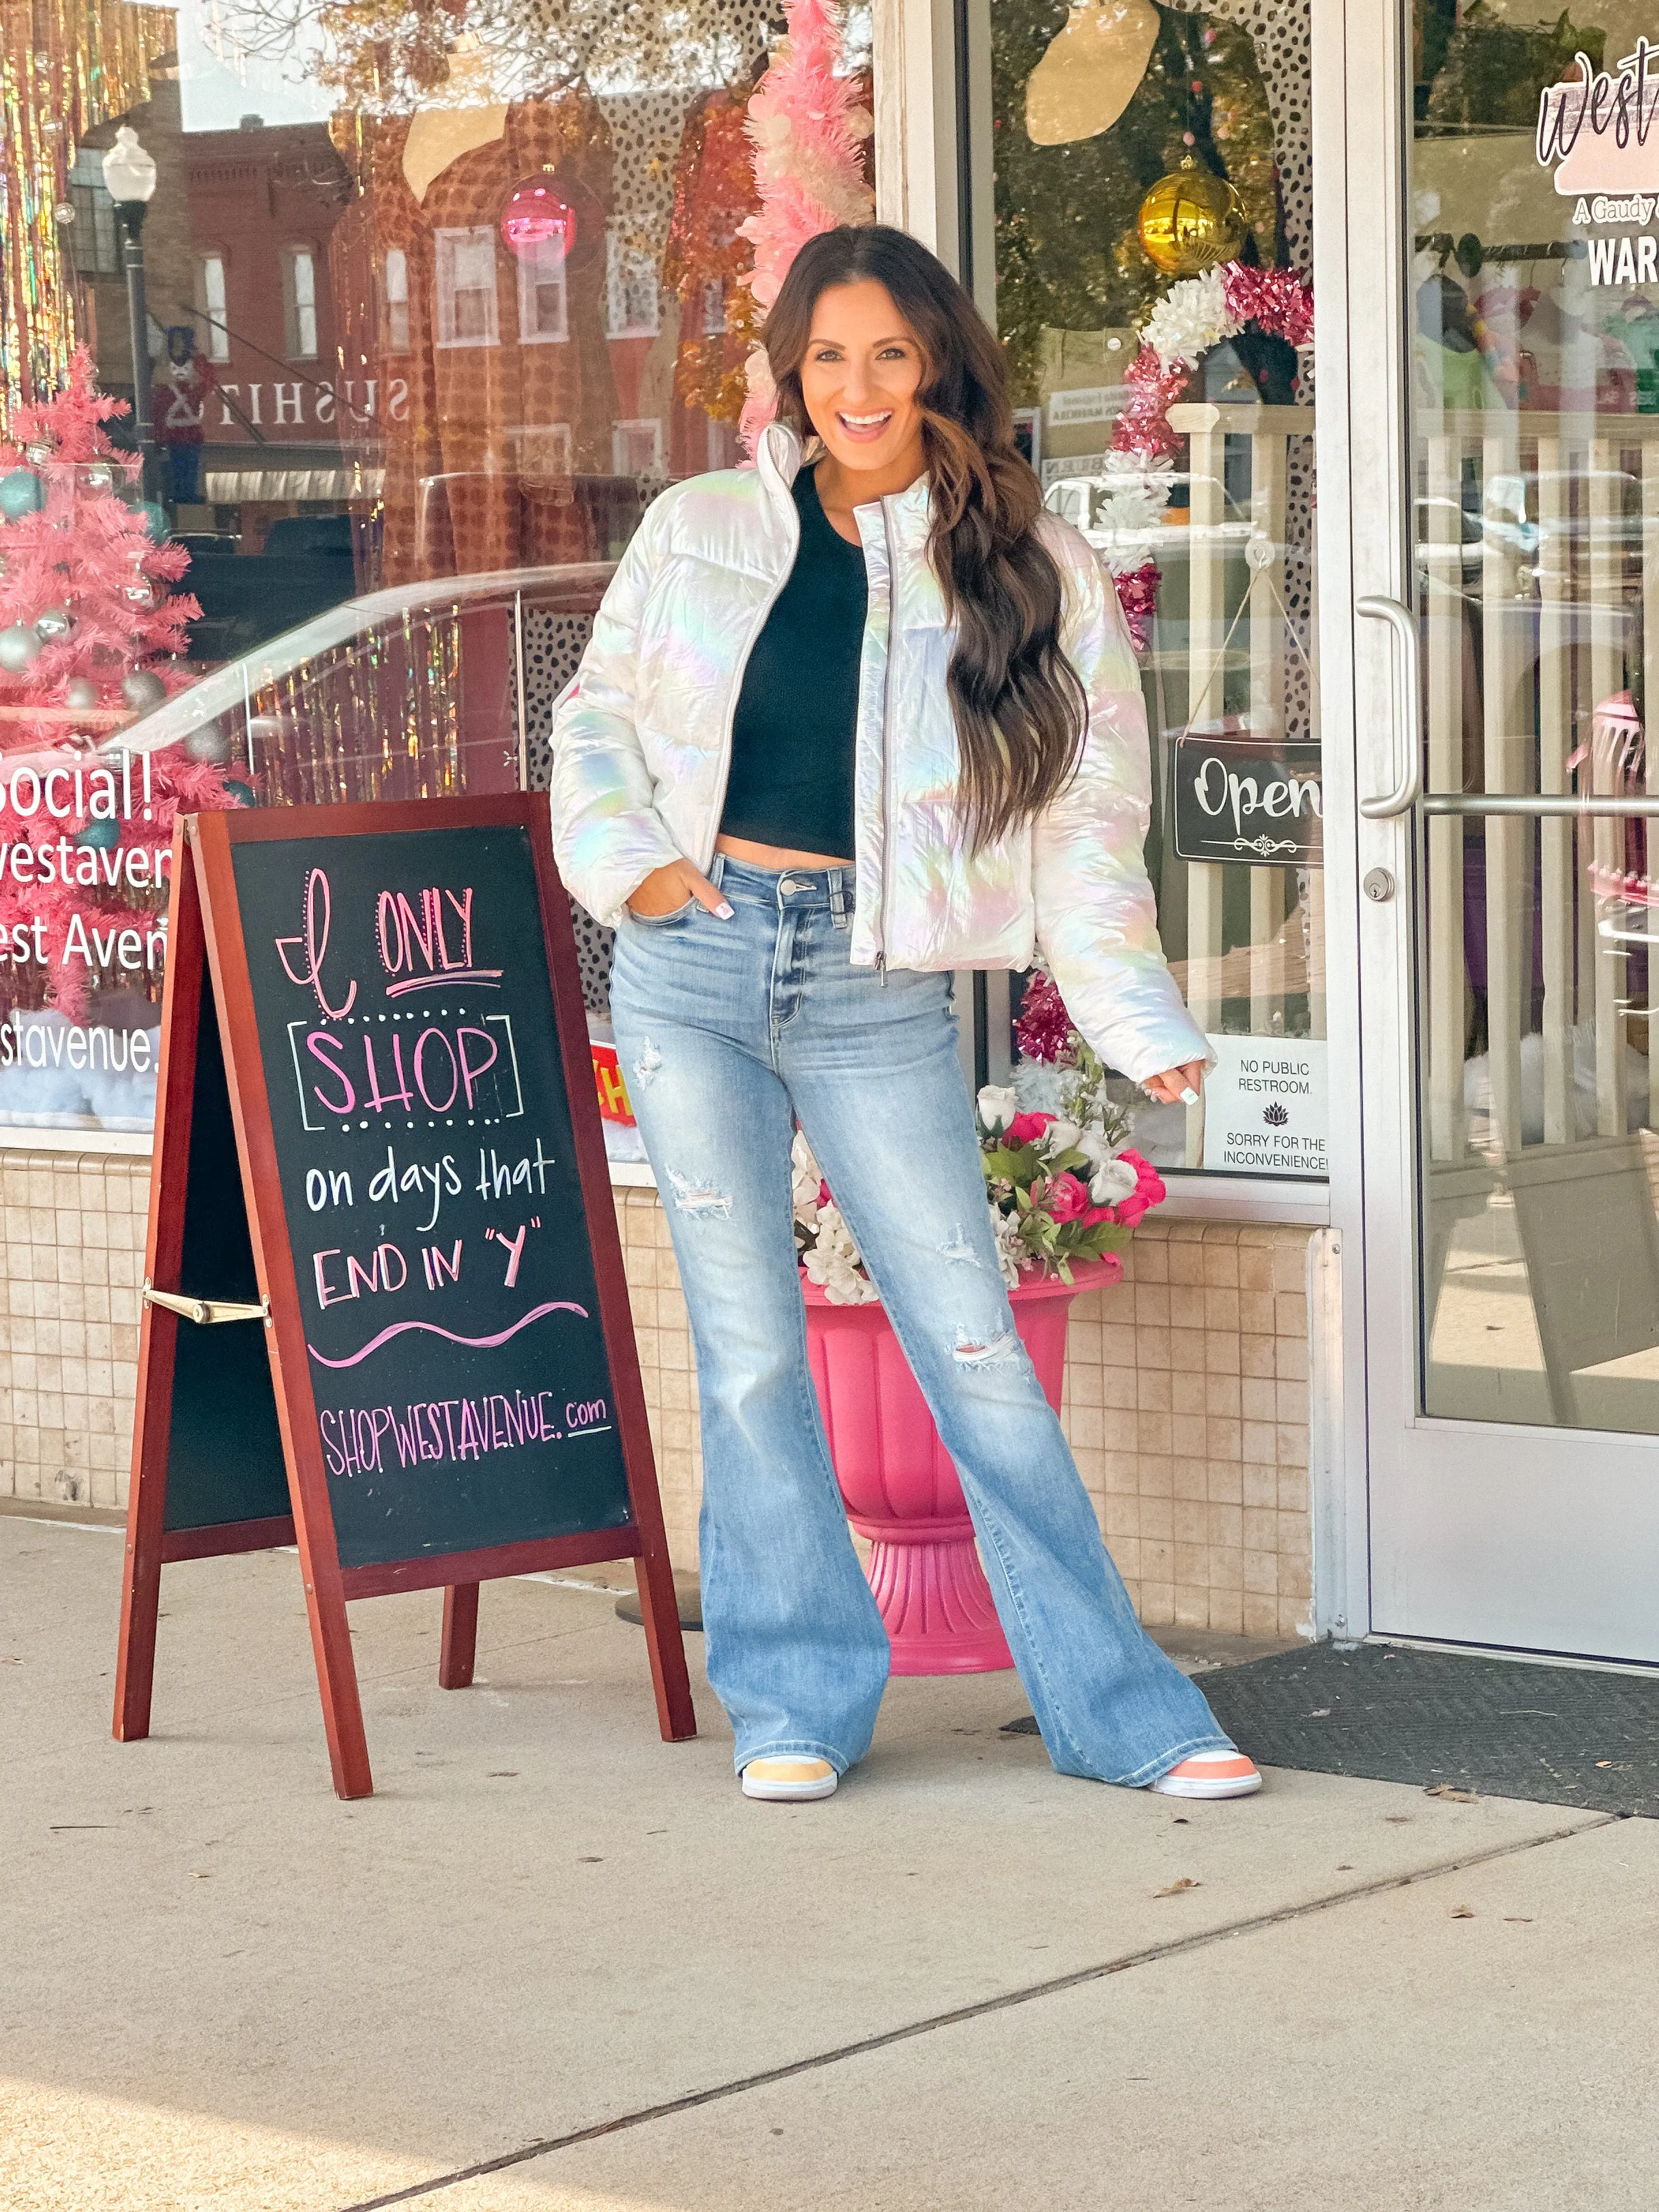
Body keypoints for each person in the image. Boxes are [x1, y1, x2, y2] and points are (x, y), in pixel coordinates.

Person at [550, 224, 1261, 1807]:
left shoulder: (1030, 564)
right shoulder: (702, 528)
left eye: (888, 354)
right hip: (698, 970)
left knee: (973, 1347)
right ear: (789, 375)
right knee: (746, 1354)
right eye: (826, 358)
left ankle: (1125, 1713)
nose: (858, 388)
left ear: (937, 361)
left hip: (874, 989)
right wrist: (640, 874)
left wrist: (1134, 1014)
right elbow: (594, 711)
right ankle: (794, 1697)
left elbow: (1087, 811)